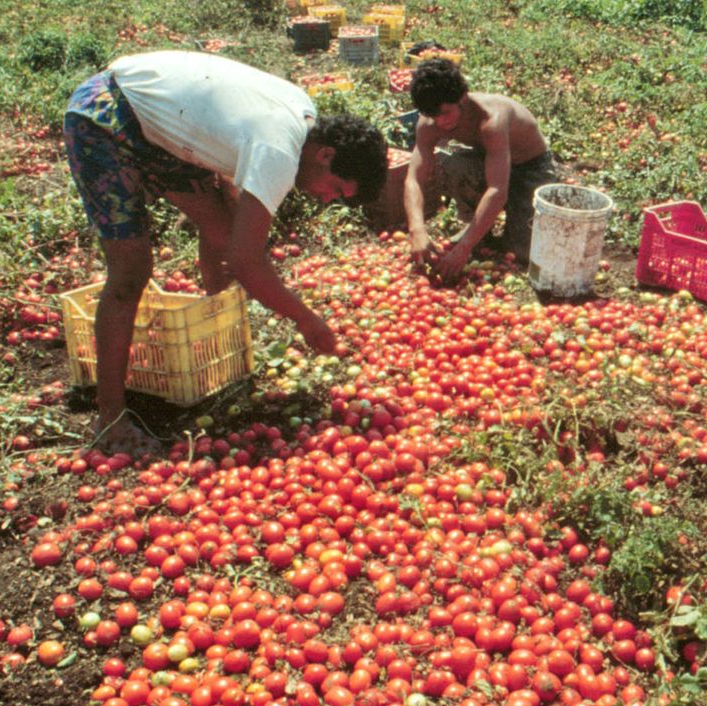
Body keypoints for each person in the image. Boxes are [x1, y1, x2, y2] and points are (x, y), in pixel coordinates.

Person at [63, 50, 387, 454]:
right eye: (336, 189)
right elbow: (245, 261)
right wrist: (307, 320)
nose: (326, 199)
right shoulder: (279, 152)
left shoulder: (303, 116)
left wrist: (223, 287)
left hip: (159, 127)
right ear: (326, 155)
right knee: (131, 270)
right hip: (106, 115)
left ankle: (221, 344)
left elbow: (230, 219)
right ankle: (111, 419)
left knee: (223, 228)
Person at [403, 58, 557, 282]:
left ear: (462, 97)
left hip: (530, 166)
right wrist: (416, 229)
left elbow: (497, 189)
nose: (440, 122)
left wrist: (463, 248)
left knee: (524, 252)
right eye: (432, 115)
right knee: (456, 164)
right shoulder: (429, 124)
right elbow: (413, 179)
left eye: (445, 113)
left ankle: (485, 232)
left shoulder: (491, 120)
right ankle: (476, 228)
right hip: (489, 161)